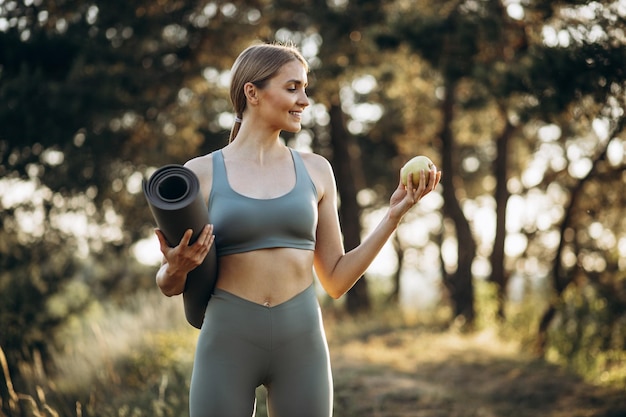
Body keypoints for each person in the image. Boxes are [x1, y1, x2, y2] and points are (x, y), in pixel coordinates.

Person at [153, 41, 441, 417]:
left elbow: (336, 280)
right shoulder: (201, 173)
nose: (304, 100)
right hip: (227, 341)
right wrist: (176, 267)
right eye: (292, 88)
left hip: (301, 342)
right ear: (252, 92)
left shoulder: (316, 170)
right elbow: (169, 284)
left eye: (305, 88)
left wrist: (392, 217)